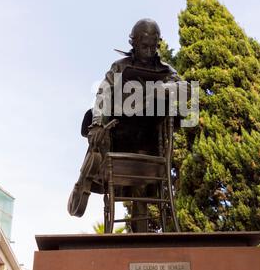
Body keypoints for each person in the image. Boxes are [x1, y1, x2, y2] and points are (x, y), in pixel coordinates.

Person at [68, 19, 181, 231]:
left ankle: (140, 232)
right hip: (118, 138)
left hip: (148, 145)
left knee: (142, 182)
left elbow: (182, 88)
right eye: (144, 46)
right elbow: (103, 93)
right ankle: (87, 173)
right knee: (99, 126)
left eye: (153, 46)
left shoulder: (166, 70)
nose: (149, 51)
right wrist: (97, 123)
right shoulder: (119, 67)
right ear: (134, 43)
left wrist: (165, 88)